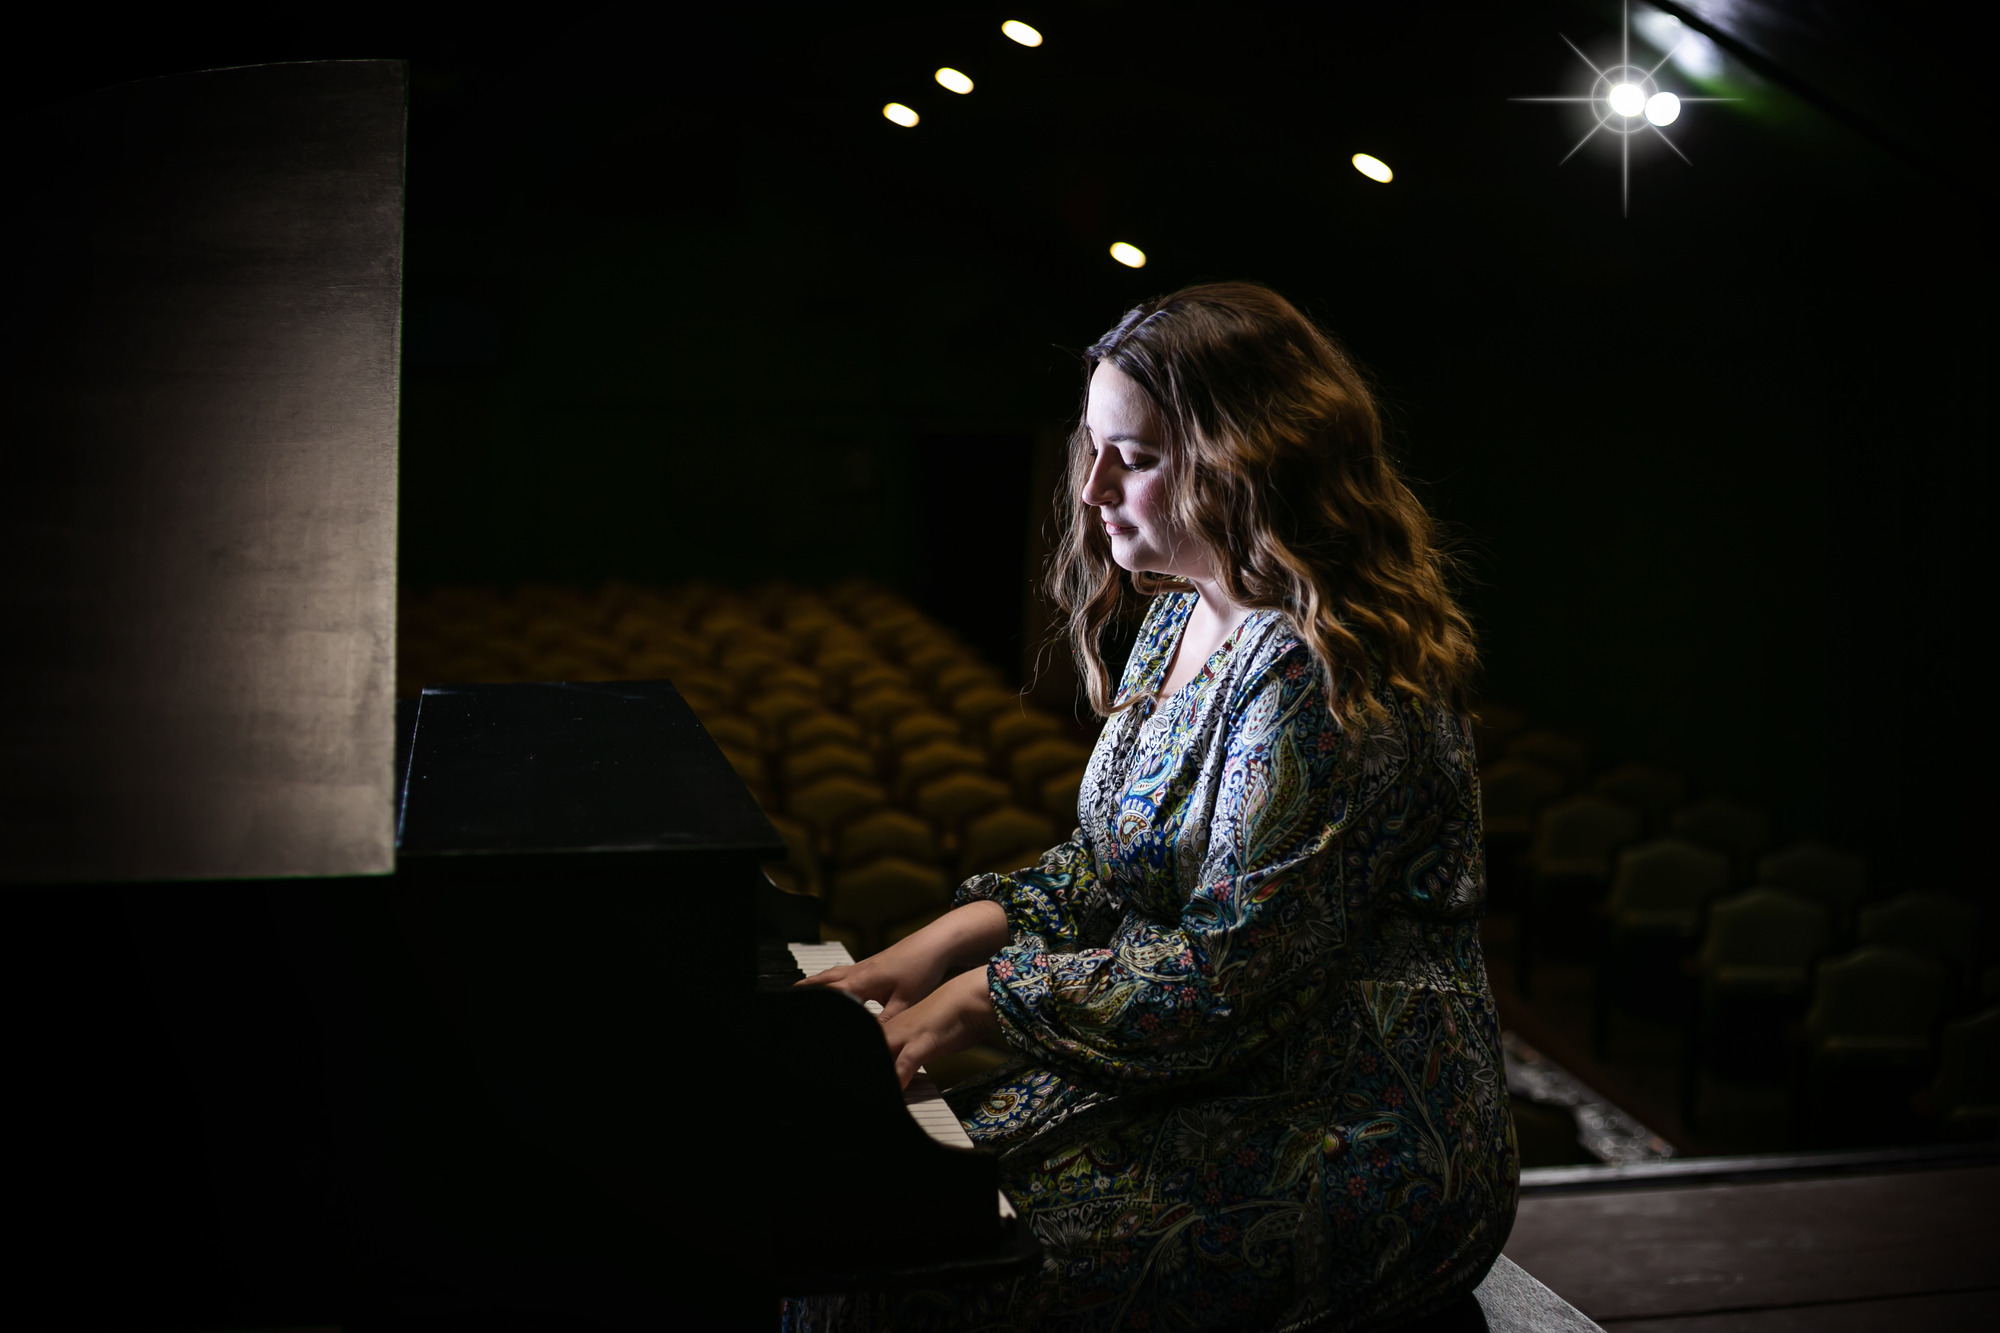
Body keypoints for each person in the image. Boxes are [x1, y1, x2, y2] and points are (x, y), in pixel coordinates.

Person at [789, 282, 1516, 1331]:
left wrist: (978, 998)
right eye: (1091, 447)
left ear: (1248, 458)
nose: (1088, 489)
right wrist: (931, 948)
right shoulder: (1179, 615)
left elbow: (1227, 977)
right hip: (1213, 1081)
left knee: (913, 1280)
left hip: (1354, 1137)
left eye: (1131, 457)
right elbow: (1110, 861)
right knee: (852, 1217)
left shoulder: (1320, 667)